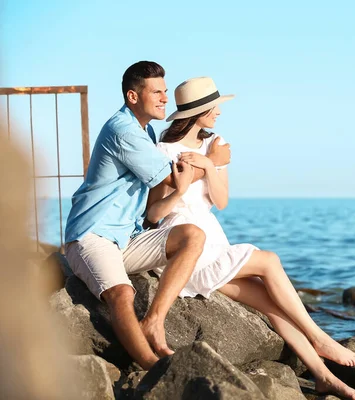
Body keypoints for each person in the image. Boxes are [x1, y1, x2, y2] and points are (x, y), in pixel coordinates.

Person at [146, 77, 355, 400]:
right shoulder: (165, 151)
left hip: (214, 242)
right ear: (199, 111)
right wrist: (193, 177)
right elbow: (154, 212)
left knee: (273, 305)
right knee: (270, 260)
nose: (219, 112)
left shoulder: (215, 145)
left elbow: (221, 201)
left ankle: (324, 377)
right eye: (214, 106)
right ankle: (318, 337)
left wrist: (208, 164)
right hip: (187, 246)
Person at [63, 61, 230, 370]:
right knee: (122, 292)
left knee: (193, 235)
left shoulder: (146, 129)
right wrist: (211, 160)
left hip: (127, 238)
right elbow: (171, 178)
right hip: (92, 235)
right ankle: (152, 369)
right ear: (133, 96)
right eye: (156, 92)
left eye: (165, 91)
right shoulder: (123, 130)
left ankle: (154, 321)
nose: (165, 98)